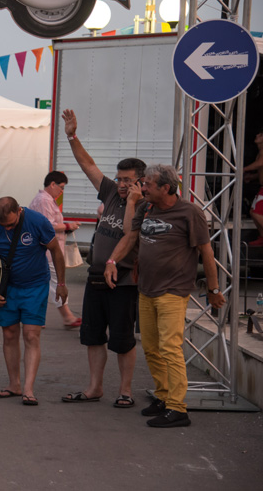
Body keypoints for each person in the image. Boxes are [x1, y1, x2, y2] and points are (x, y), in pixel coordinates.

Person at [105, 164, 226, 427]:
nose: (142, 187)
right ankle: (163, 396)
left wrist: (214, 289)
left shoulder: (190, 213)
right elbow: (130, 237)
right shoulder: (145, 207)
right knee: (151, 348)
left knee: (170, 348)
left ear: (166, 188)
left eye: (148, 184)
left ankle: (178, 408)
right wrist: (112, 261)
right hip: (146, 289)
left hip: (173, 291)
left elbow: (207, 253)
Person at [58, 109, 146, 409]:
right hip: (97, 277)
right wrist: (71, 136)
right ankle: (95, 388)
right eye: (120, 179)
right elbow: (88, 165)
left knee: (122, 340)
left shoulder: (144, 205)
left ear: (140, 182)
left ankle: (125, 391)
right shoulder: (109, 192)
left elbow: (128, 232)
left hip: (123, 281)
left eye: (128, 180)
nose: (121, 184)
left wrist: (133, 200)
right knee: (93, 337)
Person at [0, 197, 67, 406]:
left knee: (31, 335)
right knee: (9, 334)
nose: (7, 228)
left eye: (11, 224)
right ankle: (14, 384)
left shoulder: (37, 222)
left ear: (19, 211)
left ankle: (28, 388)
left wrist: (62, 283)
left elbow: (55, 250)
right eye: (4, 225)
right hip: (6, 287)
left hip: (34, 286)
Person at [29, 171, 82, 328]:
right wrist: (67, 226)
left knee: (43, 284)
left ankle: (34, 317)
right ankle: (67, 316)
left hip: (48, 250)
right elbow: (47, 225)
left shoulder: (46, 200)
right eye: (61, 187)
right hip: (47, 251)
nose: (62, 191)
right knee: (57, 282)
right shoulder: (44, 201)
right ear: (52, 184)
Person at [243, 132, 263, 246]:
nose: (256, 136)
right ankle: (261, 237)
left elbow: (260, 164)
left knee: (257, 213)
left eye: (260, 135)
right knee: (252, 212)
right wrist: (252, 176)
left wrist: (244, 169)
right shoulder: (260, 152)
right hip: (261, 188)